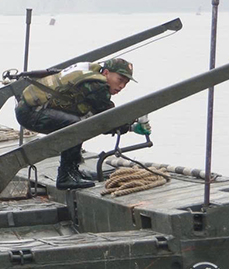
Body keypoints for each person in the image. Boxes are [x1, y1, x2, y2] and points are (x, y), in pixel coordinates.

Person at [14, 57, 140, 189]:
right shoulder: (97, 86)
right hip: (31, 113)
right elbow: (106, 121)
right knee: (76, 127)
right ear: (107, 73)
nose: (121, 86)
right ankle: (65, 176)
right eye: (120, 80)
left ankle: (73, 171)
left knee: (79, 122)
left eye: (125, 83)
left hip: (30, 108)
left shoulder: (91, 71)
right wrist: (132, 125)